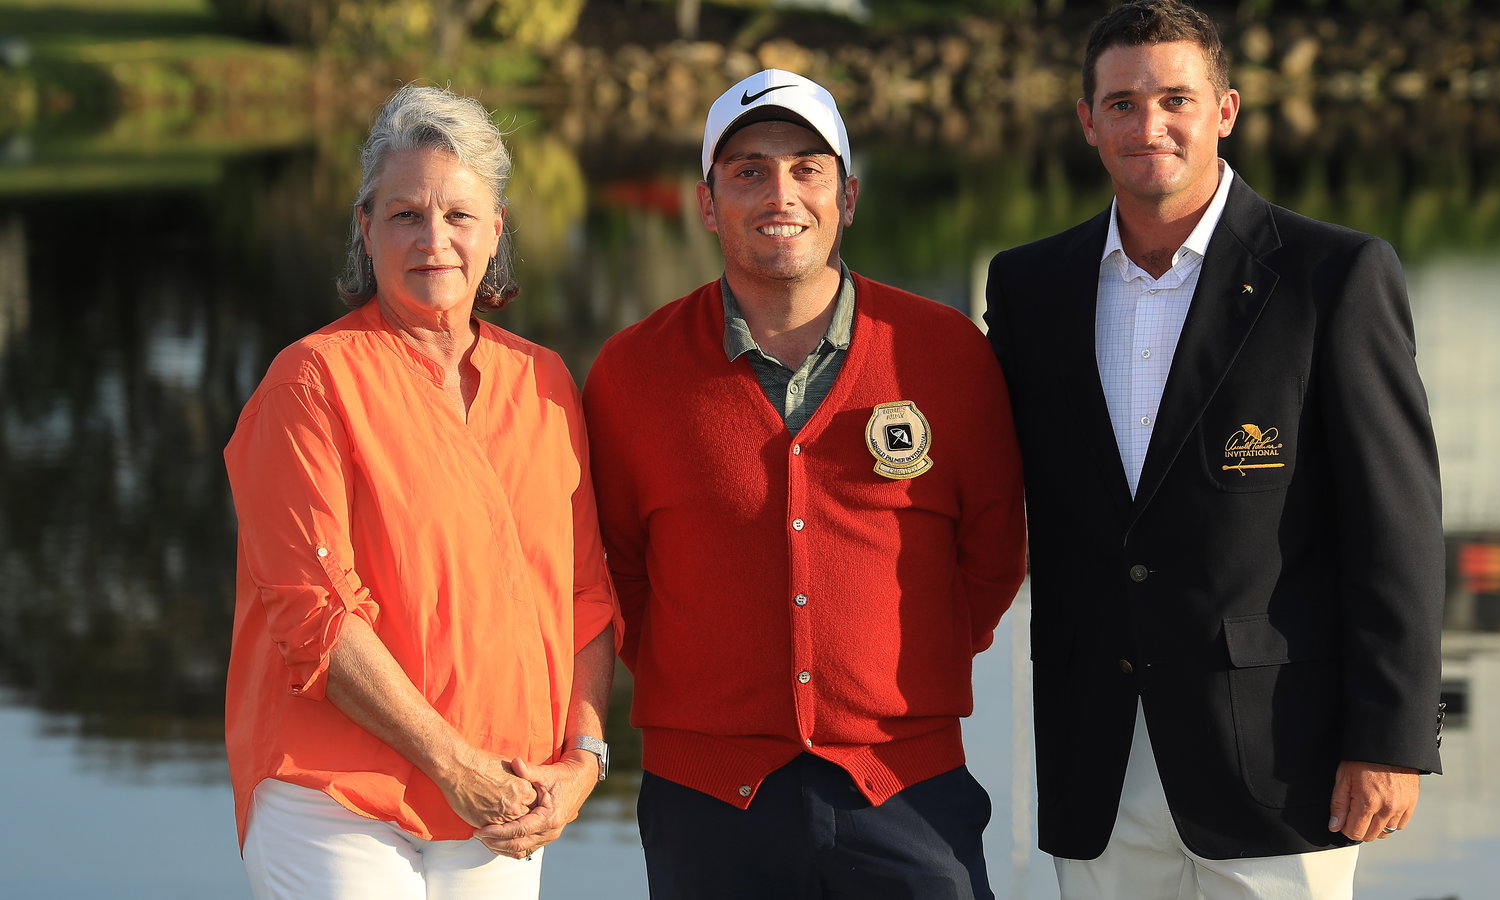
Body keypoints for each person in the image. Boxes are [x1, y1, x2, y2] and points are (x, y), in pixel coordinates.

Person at [983, 2, 1446, 897]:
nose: (1147, 124)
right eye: (1120, 103)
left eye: (1175, 99)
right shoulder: (1029, 285)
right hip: (1097, 757)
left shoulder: (1332, 277)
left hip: (1282, 761)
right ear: (1086, 120)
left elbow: (1397, 527)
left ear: (1225, 110)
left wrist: (1390, 740)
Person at [575, 69, 1027, 899]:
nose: (780, 193)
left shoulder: (947, 352)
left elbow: (993, 554)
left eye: (807, 168)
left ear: (848, 196)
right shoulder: (630, 372)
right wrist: (714, 685)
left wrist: (889, 671)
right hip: (707, 799)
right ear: (708, 204)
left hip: (906, 785)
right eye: (747, 170)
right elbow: (616, 575)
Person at [224, 84, 618, 898]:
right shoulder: (311, 381)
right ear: (365, 229)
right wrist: (454, 765)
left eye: (459, 217)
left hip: (506, 797)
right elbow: (315, 617)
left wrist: (583, 760)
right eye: (405, 215)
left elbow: (585, 596)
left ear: (497, 229)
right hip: (333, 796)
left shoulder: (542, 382)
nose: (433, 241)